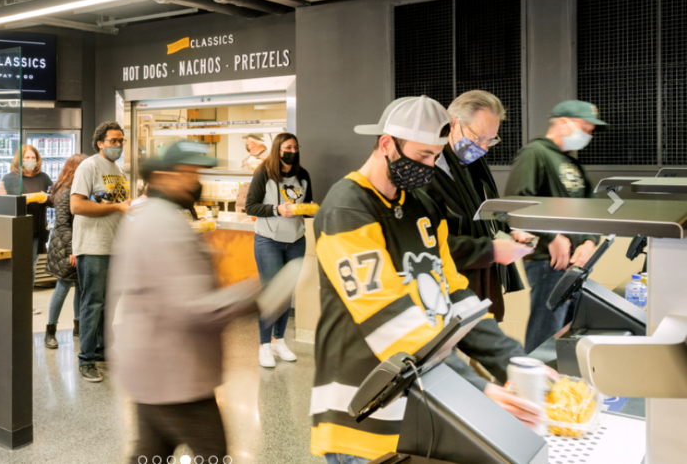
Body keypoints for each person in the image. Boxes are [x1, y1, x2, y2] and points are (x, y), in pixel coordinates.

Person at [312, 96, 542, 463]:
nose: (429, 166)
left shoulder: (424, 205)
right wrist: (474, 387)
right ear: (387, 144)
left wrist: (513, 362)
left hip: (424, 401)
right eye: (421, 156)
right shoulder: (347, 208)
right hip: (364, 416)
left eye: (435, 156)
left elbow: (454, 293)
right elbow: (386, 317)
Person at [109, 141, 261, 464]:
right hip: (177, 373)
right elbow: (193, 307)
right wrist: (253, 295)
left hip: (150, 367)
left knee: (150, 453)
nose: (195, 181)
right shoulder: (164, 224)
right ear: (164, 176)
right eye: (188, 172)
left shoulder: (147, 215)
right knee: (213, 454)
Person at [505, 100, 605, 353]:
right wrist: (551, 236)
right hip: (549, 263)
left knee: (571, 333)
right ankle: (531, 387)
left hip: (576, 263)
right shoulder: (535, 153)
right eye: (585, 128)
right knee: (545, 335)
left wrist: (589, 242)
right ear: (564, 123)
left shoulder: (572, 163)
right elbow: (517, 204)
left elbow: (592, 210)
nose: (588, 135)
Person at [428, 90, 535, 321]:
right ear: (453, 124)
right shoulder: (427, 170)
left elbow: (486, 212)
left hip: (481, 284)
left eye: (491, 140)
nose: (484, 148)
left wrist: (510, 232)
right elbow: (429, 244)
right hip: (445, 293)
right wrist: (491, 250)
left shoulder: (474, 164)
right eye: (478, 138)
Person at [245, 132, 312, 368]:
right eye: (288, 147)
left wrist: (310, 209)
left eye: (295, 147)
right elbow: (250, 206)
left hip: (296, 239)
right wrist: (276, 210)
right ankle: (264, 345)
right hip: (268, 240)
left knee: (286, 292)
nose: (292, 151)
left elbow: (305, 206)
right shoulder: (263, 172)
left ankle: (278, 340)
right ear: (277, 149)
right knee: (272, 293)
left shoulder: (302, 175)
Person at [70, 121, 131, 382]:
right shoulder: (89, 166)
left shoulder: (118, 170)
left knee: (110, 302)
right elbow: (76, 206)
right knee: (92, 302)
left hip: (115, 246)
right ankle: (86, 359)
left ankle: (102, 349)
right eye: (113, 141)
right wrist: (118, 208)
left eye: (121, 141)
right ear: (100, 143)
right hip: (93, 246)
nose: (118, 145)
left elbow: (121, 205)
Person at [43, 153, 88, 349]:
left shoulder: (78, 189)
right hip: (65, 247)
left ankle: (78, 327)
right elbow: (62, 225)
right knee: (62, 287)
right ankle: (50, 331)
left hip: (76, 244)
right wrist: (73, 250)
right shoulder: (65, 191)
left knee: (80, 285)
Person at [4, 145, 52, 315]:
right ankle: (12, 301)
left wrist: (45, 198)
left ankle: (26, 302)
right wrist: (23, 200)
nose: (31, 161)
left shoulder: (44, 177)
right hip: (17, 229)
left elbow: (54, 199)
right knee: (15, 267)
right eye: (27, 158)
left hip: (36, 229)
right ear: (19, 159)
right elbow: (6, 203)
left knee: (30, 267)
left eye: (33, 158)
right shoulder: (10, 178)